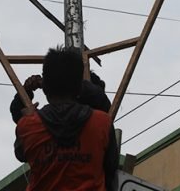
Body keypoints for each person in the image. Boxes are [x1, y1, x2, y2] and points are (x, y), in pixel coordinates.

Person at [11, 47, 118, 190]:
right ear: (80, 87)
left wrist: (28, 112)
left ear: (45, 88)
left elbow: (21, 153)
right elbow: (111, 169)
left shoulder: (28, 127)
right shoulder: (102, 124)